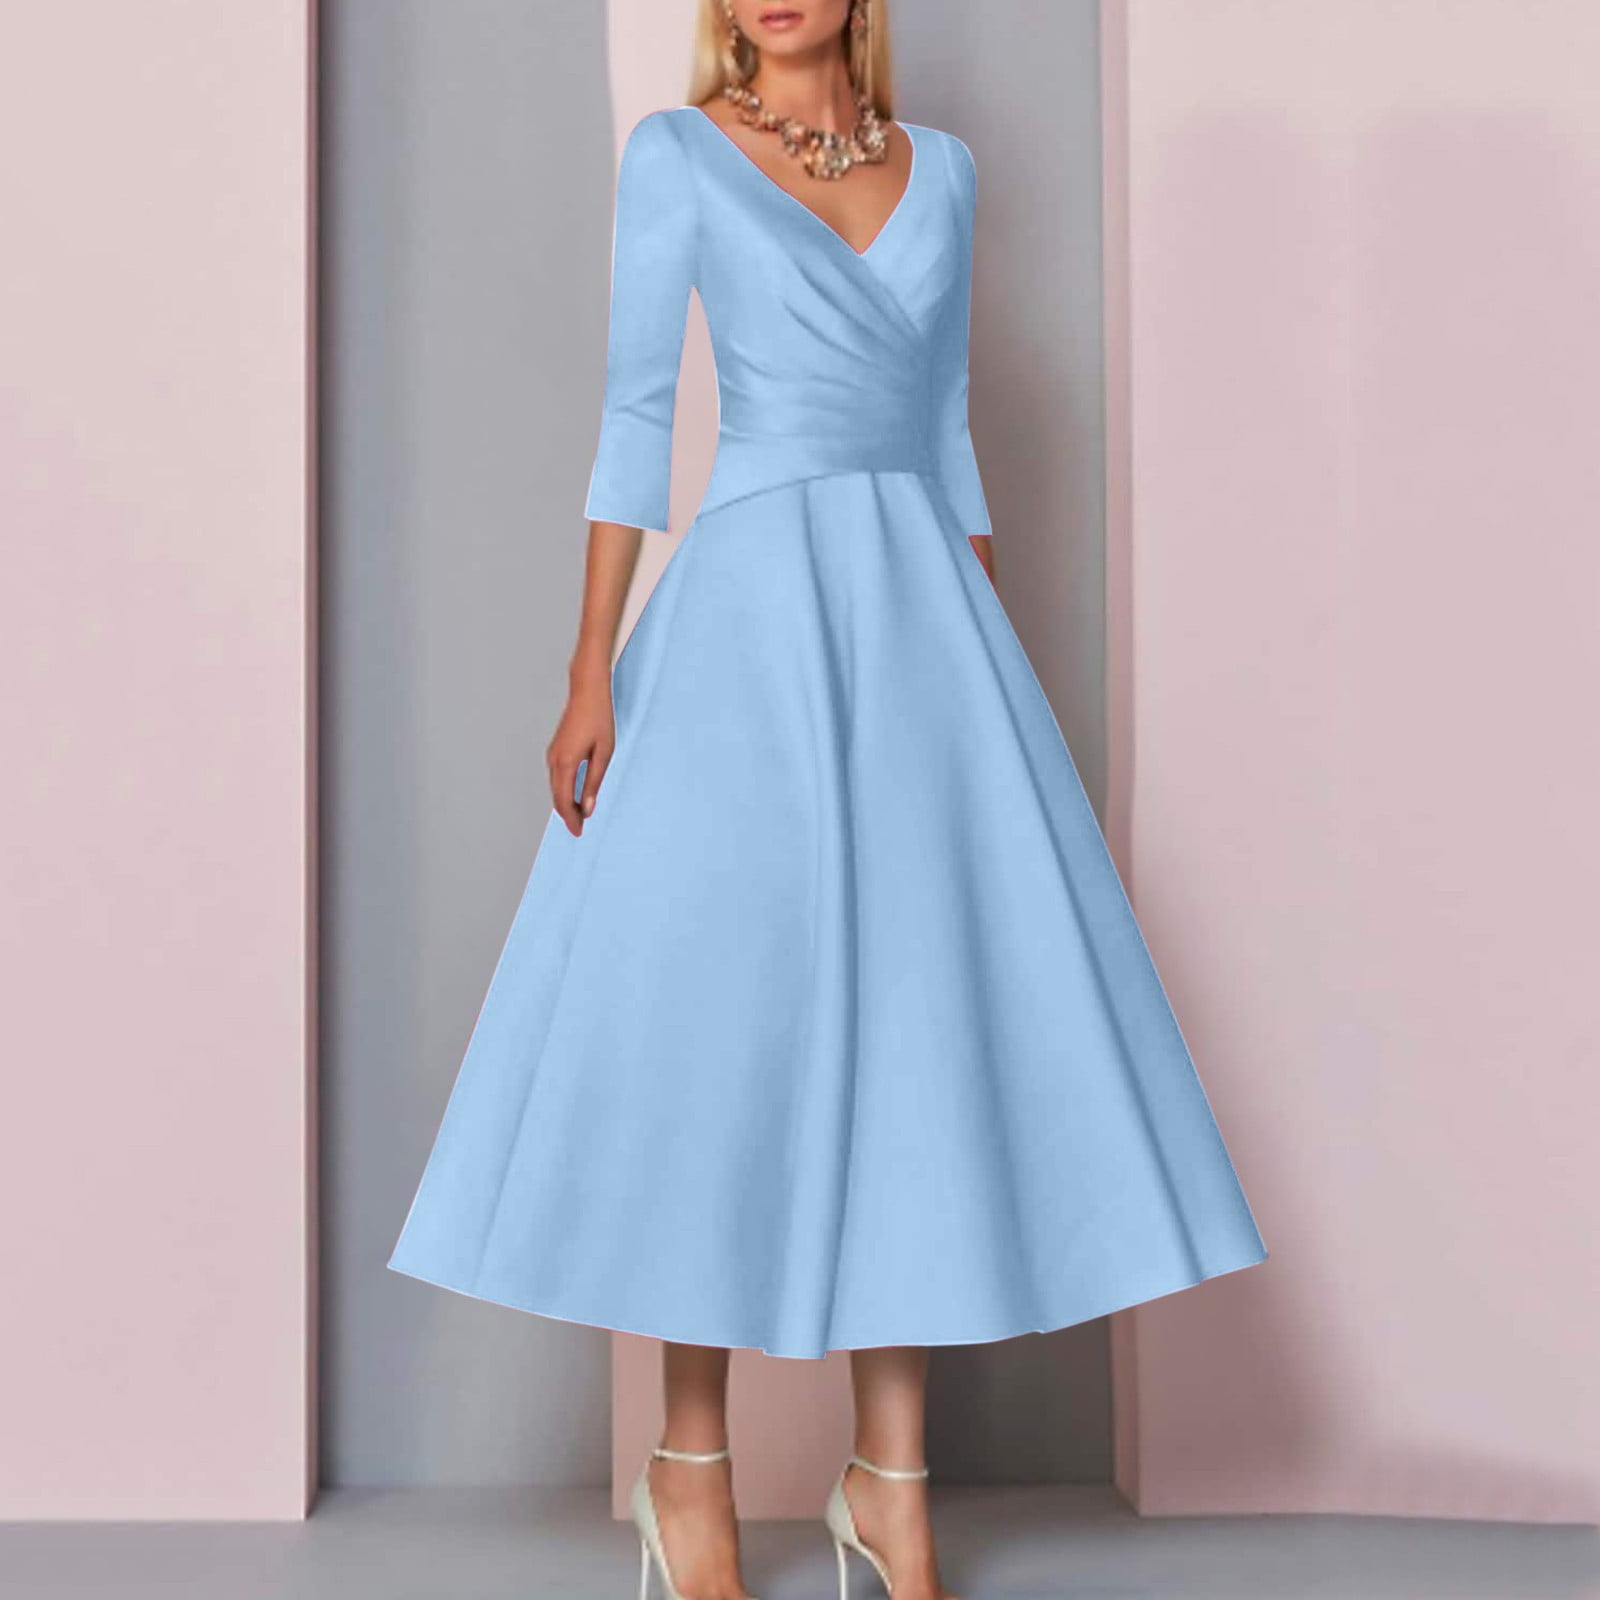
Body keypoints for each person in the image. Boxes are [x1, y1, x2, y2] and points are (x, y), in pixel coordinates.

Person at [390, 3, 1267, 1596]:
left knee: (913, 1033)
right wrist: (590, 667)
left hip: (919, 632)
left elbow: (946, 427)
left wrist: (981, 662)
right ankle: (691, 1474)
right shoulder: (676, 155)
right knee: (718, 1028)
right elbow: (637, 419)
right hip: (745, 625)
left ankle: (891, 1484)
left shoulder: (949, 171)